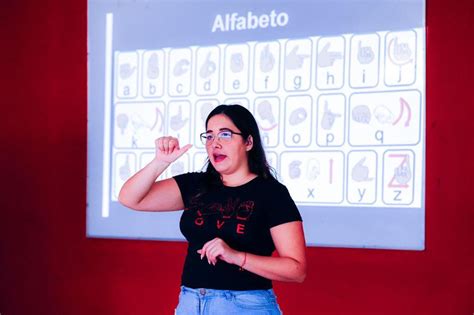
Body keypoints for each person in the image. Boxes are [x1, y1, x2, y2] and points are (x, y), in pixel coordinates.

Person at [119, 104, 306, 314]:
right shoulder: (196, 184)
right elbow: (129, 198)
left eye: (225, 135)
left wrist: (236, 256)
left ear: (248, 142)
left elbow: (296, 270)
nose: (215, 143)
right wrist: (160, 161)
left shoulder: (272, 193)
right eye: (209, 136)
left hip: (245, 305)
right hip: (191, 302)